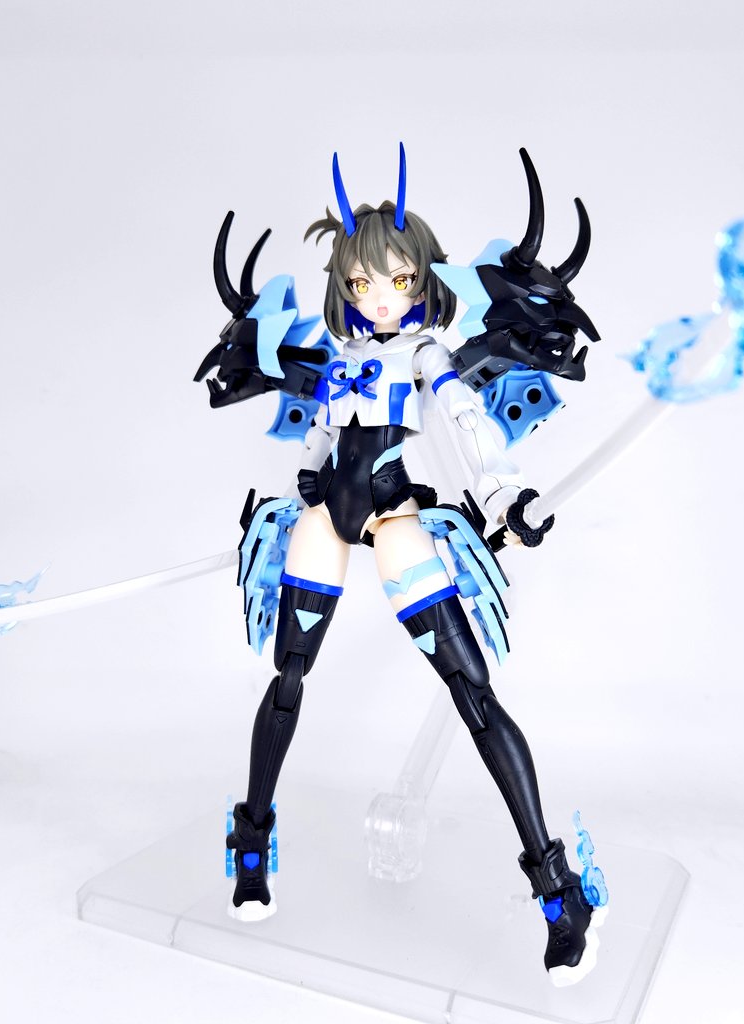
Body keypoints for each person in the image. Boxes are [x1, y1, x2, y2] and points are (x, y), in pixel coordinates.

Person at [197, 145, 604, 984]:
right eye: (359, 283)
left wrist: (504, 499)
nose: (377, 296)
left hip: (393, 516)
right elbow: (318, 432)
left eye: (395, 280)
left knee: (471, 692)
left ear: (421, 277)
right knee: (289, 675)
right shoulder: (335, 356)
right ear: (343, 286)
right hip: (324, 517)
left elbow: (466, 425)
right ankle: (250, 838)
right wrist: (306, 475)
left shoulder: (422, 355)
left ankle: (557, 890)